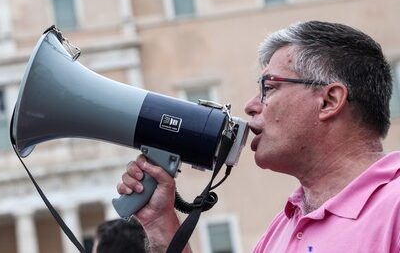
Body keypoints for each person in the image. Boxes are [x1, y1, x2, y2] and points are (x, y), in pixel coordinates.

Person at [117, 20, 400, 252]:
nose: (251, 105)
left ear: (329, 100)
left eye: (269, 87)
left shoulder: (394, 207)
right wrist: (161, 226)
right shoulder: (283, 228)